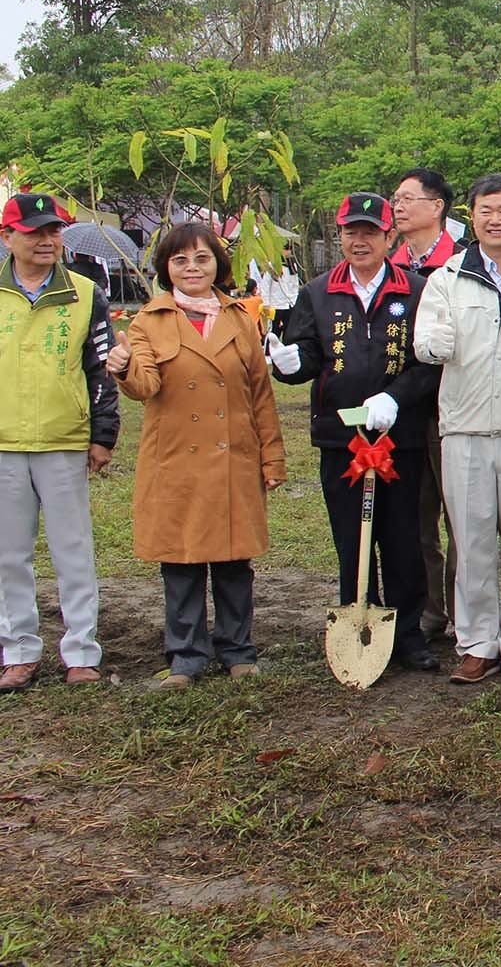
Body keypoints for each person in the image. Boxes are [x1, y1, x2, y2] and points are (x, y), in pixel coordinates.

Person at [106, 223, 286, 689]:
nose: (192, 268)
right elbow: (145, 387)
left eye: (201, 258)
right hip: (177, 462)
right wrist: (124, 369)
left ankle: (237, 649)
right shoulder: (148, 320)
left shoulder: (241, 319)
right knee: (181, 563)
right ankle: (185, 656)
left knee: (233, 562)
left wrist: (272, 458)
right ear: (166, 267)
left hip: (234, 458)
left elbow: (260, 395)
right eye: (180, 260)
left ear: (217, 265)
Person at [272, 193, 443, 674]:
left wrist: (397, 397)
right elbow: (306, 354)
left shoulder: (416, 290)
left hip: (399, 436)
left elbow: (428, 361)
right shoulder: (318, 291)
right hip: (340, 439)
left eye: (371, 231)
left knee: (403, 535)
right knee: (352, 537)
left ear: (390, 237)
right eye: (351, 231)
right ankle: (357, 615)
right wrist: (290, 364)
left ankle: (407, 632)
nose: (360, 240)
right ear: (340, 235)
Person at [414, 174, 501, 685]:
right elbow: (426, 342)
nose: (495, 219)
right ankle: (475, 640)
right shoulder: (448, 277)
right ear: (471, 216)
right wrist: (438, 340)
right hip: (466, 429)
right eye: (485, 210)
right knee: (470, 540)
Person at [0, 193, 118, 692]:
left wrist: (102, 433)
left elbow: (101, 369)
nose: (48, 240)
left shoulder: (86, 293)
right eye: (35, 232)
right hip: (4, 442)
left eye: (54, 231)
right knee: (9, 555)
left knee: (73, 551)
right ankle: (19, 652)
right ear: (8, 238)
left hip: (65, 439)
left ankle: (81, 652)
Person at [389, 168, 460, 642]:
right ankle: (425, 610)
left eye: (408, 198)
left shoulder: (459, 262)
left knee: (458, 516)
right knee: (415, 517)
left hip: (450, 409)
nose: (398, 206)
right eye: (396, 198)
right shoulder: (390, 263)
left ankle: (460, 612)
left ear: (436, 207)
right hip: (401, 409)